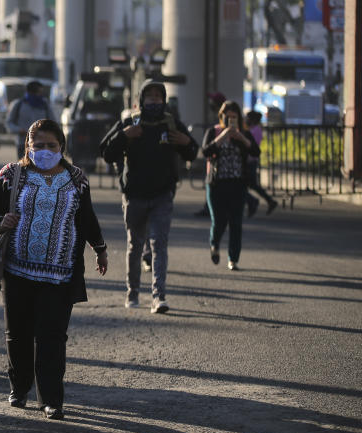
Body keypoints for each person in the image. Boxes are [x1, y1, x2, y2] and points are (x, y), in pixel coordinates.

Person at [0, 119, 107, 420]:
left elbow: (86, 218)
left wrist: (100, 249)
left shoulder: (77, 179)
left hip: (60, 274)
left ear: (62, 146)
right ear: (28, 146)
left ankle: (51, 399)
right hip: (17, 271)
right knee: (18, 333)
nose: (45, 151)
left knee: (52, 337)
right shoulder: (12, 174)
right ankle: (19, 388)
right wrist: (1, 222)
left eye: (52, 145)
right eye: (39, 146)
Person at [99, 81, 198, 313]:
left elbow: (192, 151)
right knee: (135, 246)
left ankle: (158, 297)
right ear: (141, 100)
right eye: (150, 97)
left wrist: (187, 143)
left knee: (158, 245)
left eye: (158, 97)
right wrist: (124, 136)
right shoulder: (130, 122)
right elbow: (106, 152)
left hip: (162, 195)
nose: (154, 100)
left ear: (164, 100)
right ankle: (132, 293)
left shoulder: (171, 123)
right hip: (134, 196)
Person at [202, 100, 260, 271]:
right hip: (216, 183)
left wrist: (240, 137)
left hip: (237, 184)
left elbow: (255, 152)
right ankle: (214, 244)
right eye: (228, 117)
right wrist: (223, 136)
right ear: (222, 117)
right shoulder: (213, 131)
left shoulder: (244, 134)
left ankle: (233, 258)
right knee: (219, 220)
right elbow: (205, 151)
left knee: (236, 222)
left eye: (234, 117)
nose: (231, 120)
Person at [243, 110, 278, 217]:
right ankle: (267, 201)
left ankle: (253, 201)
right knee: (252, 185)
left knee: (242, 186)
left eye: (247, 118)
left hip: (250, 161)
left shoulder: (255, 131)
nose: (246, 120)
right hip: (249, 161)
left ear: (252, 120)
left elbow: (253, 147)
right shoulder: (253, 130)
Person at [6, 80, 52, 160]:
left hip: (41, 145)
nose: (41, 95)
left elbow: (53, 123)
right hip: (23, 144)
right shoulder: (19, 104)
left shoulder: (45, 105)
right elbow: (9, 122)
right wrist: (19, 130)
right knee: (25, 170)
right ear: (32, 92)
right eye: (39, 92)